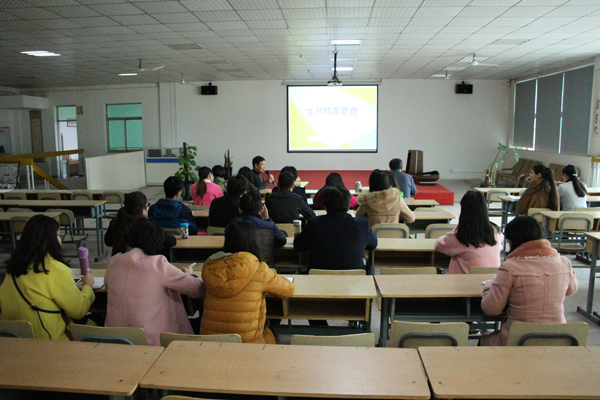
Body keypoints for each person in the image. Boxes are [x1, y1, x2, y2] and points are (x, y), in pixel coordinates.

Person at [480, 216, 578, 346]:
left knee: (485, 340)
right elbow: (571, 290)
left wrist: (488, 289)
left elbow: (491, 309)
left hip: (520, 337)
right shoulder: (564, 262)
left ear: (513, 241)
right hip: (558, 336)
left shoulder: (510, 267)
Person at [105, 219, 205, 346]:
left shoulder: (114, 261)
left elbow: (107, 284)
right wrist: (189, 275)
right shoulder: (157, 264)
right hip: (151, 342)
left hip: (114, 339)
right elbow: (197, 289)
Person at [0, 215, 95, 340]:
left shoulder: (12, 270)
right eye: (59, 235)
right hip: (50, 343)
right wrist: (88, 286)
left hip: (15, 342)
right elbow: (79, 310)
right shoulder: (55, 269)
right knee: (93, 324)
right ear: (51, 239)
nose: (60, 240)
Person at [200, 219, 294, 344]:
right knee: (270, 333)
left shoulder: (209, 267)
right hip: (247, 345)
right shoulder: (259, 269)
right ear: (254, 241)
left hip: (210, 343)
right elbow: (288, 290)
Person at [295, 186, 377, 271]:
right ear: (349, 204)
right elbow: (373, 244)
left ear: (325, 204)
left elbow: (299, 245)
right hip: (353, 278)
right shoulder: (362, 224)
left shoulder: (314, 223)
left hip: (319, 277)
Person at [434, 190, 503, 274]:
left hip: (464, 284)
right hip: (491, 281)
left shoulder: (460, 236)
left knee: (455, 260)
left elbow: (438, 245)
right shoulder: (495, 231)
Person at [105, 191, 176, 256]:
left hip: (117, 265)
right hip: (138, 266)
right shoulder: (148, 226)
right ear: (143, 211)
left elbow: (108, 241)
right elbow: (171, 241)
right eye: (147, 205)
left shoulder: (116, 221)